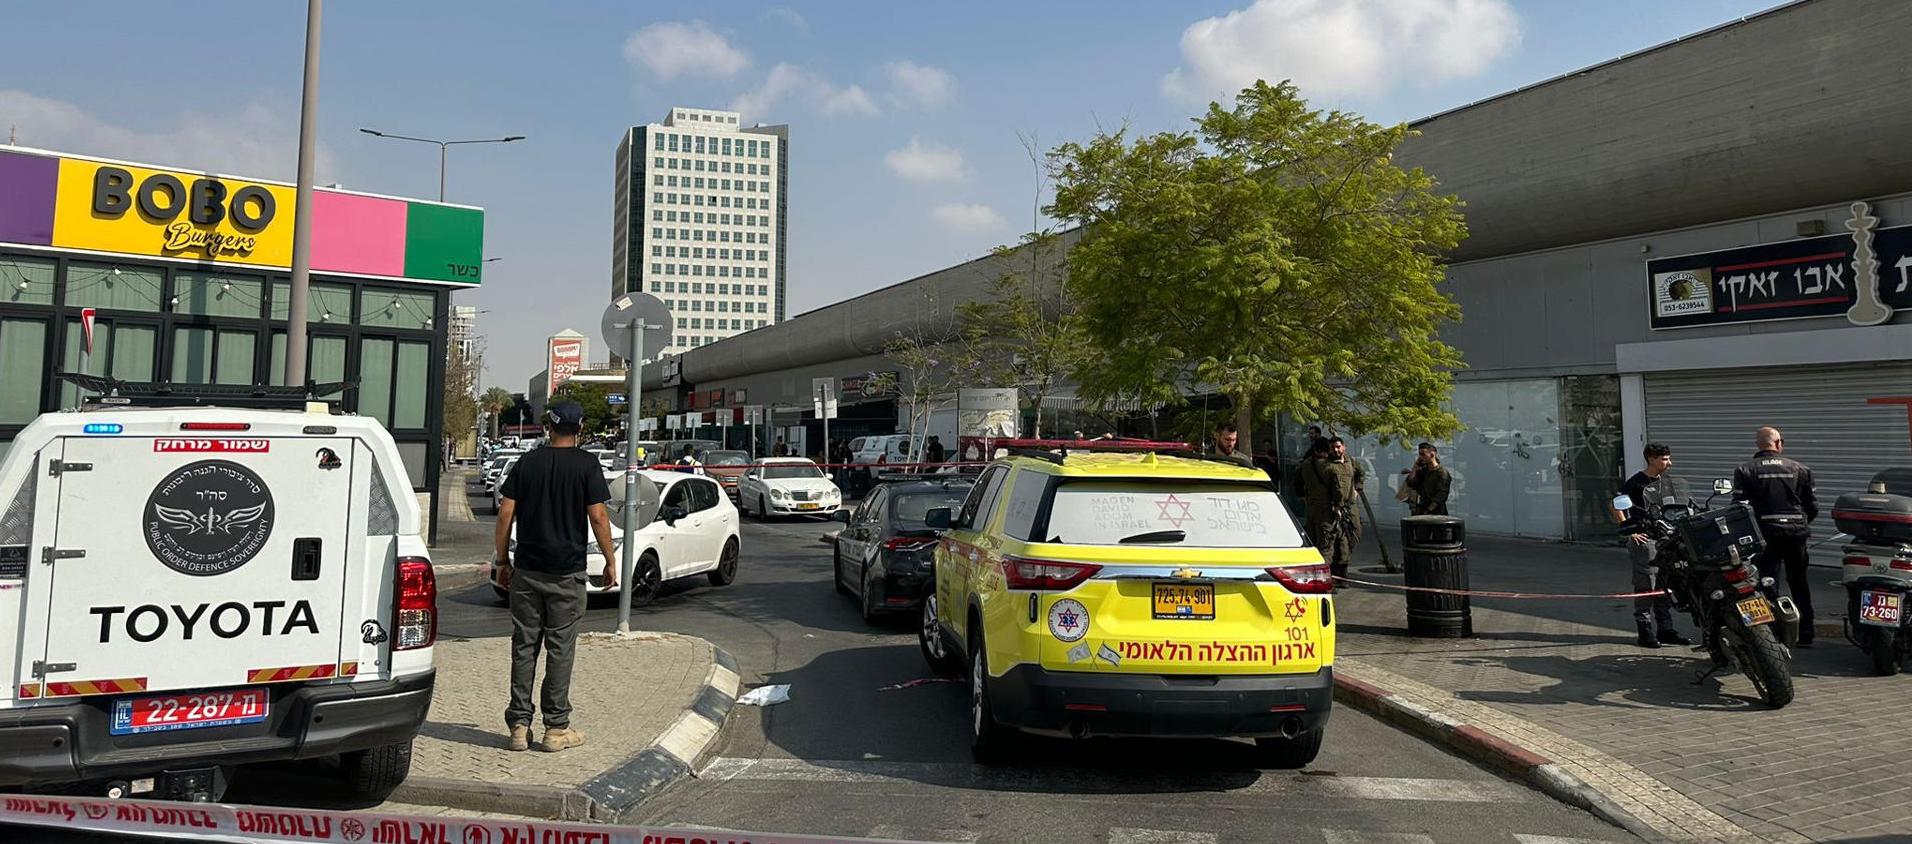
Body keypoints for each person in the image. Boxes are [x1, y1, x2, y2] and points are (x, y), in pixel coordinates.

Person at [493, 401, 617, 753]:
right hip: (567, 573)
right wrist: (609, 560)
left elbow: (505, 515)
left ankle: (519, 726)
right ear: (579, 430)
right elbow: (598, 517)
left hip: (527, 570)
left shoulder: (527, 463)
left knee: (524, 647)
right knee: (560, 650)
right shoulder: (587, 465)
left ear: (548, 426)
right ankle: (556, 729)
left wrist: (503, 561)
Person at [1733, 426, 1819, 646]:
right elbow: (1812, 506)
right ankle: (1805, 633)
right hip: (1796, 534)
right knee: (1799, 583)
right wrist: (1799, 523)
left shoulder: (1745, 470)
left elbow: (1739, 508)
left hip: (1764, 535)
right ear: (1779, 444)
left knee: (1764, 584)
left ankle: (1768, 634)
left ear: (1758, 445)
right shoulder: (1800, 469)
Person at [1611, 442, 1691, 649]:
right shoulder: (1637, 482)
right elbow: (1615, 504)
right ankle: (1645, 630)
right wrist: (1630, 530)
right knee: (1646, 584)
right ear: (1652, 459)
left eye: (1669, 458)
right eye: (1664, 459)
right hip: (1646, 540)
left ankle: (1665, 629)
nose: (1669, 463)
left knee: (1666, 584)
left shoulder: (1666, 482)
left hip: (1667, 539)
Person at [1302, 437, 1365, 579]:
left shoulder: (1350, 461)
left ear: (1344, 447)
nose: (1336, 450)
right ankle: (1331, 577)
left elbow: (1360, 474)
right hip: (1332, 508)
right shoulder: (1329, 466)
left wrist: (1357, 490)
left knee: (1351, 536)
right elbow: (1337, 488)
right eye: (1333, 448)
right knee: (1329, 543)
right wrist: (1337, 505)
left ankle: (1339, 573)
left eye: (1338, 447)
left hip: (1346, 507)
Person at [1401, 442, 1453, 516]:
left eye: (1423, 454)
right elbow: (1411, 483)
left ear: (1432, 454)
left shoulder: (1442, 472)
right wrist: (1415, 467)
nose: (1421, 457)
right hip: (1421, 508)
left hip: (1436, 512)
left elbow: (1441, 495)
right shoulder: (1423, 471)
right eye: (1419, 454)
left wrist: (1429, 510)